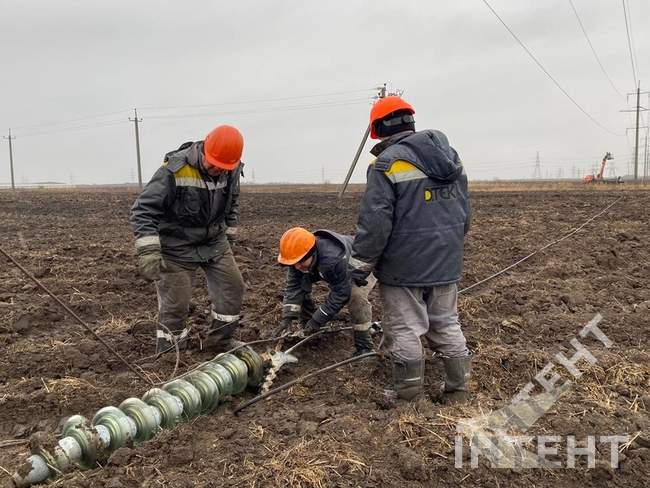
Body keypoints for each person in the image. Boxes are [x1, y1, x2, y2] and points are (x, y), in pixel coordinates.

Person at [349, 96, 472, 403]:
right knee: (446, 323)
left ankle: (407, 395)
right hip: (446, 261)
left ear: (377, 129)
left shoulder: (386, 165)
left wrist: (360, 265)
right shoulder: (452, 158)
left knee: (404, 328)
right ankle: (458, 391)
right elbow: (464, 214)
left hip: (403, 267)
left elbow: (375, 223)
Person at [129, 125, 245, 354]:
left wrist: (229, 236)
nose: (216, 170)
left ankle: (219, 344)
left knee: (233, 288)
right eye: (213, 163)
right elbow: (143, 210)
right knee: (176, 305)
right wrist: (149, 251)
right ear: (204, 150)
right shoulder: (174, 170)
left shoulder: (230, 170)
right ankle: (169, 355)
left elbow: (232, 204)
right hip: (176, 247)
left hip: (214, 243)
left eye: (223, 167)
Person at [277, 227, 375, 356]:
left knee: (355, 297)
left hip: (362, 265)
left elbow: (341, 293)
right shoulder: (298, 257)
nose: (296, 267)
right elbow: (294, 287)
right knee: (301, 286)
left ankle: (364, 347)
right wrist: (287, 317)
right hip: (326, 266)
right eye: (293, 264)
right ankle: (308, 326)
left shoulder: (333, 259)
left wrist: (317, 320)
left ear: (312, 254)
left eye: (300, 263)